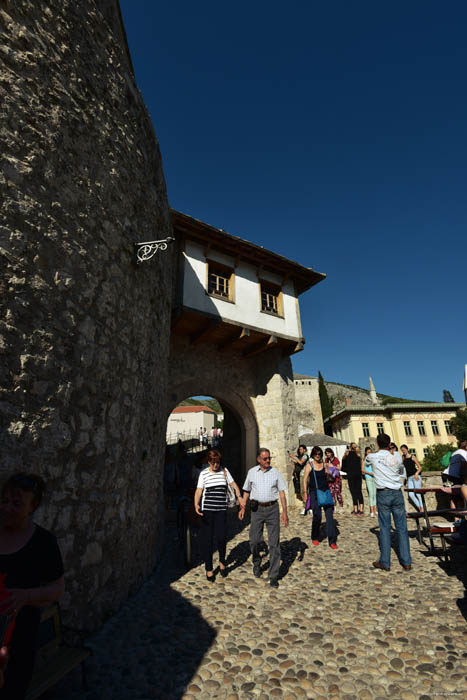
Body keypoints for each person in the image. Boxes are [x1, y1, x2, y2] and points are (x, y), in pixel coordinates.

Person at [0, 473, 65, 699]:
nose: (7, 507)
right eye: (4, 500)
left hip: (19, 645)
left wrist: (25, 596)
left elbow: (57, 588)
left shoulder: (43, 543)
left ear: (33, 506)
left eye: (16, 503)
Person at [239, 448, 289, 588]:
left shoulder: (276, 473)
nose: (268, 461)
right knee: (254, 540)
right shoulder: (252, 473)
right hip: (257, 510)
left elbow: (282, 493)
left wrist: (284, 512)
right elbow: (246, 490)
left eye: (269, 458)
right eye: (265, 459)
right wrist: (243, 507)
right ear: (259, 460)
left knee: (274, 543)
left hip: (273, 509)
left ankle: (273, 575)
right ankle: (256, 561)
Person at [194, 450, 244, 582]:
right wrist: (196, 504)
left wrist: (240, 498)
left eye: (218, 462)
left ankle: (222, 561)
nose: (216, 464)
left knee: (222, 537)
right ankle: (209, 569)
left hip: (221, 511)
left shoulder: (224, 471)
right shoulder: (203, 474)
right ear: (209, 461)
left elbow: (234, 485)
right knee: (208, 540)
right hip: (207, 511)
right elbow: (199, 490)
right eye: (213, 462)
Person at [366, 433, 412, 572]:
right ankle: (406, 561)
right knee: (402, 528)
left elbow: (366, 462)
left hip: (383, 493)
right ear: (390, 444)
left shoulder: (372, 457)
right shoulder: (396, 459)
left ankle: (385, 562)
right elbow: (402, 474)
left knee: (384, 528)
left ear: (378, 444)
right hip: (397, 492)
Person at [302, 447, 338, 549]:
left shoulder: (325, 465)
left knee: (330, 517)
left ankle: (332, 541)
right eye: (316, 454)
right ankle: (315, 536)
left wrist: (330, 471)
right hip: (314, 493)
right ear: (313, 455)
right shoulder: (309, 465)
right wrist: (305, 493)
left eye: (319, 454)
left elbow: (333, 476)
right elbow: (305, 480)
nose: (318, 455)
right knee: (317, 516)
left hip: (325, 492)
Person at [442, 441, 467, 509]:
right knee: (459, 497)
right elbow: (464, 466)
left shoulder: (455, 452)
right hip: (453, 476)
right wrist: (464, 480)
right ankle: (459, 517)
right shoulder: (464, 453)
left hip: (446, 475)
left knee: (453, 498)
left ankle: (456, 518)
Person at [342, 442, 364, 515]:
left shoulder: (347, 455)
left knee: (353, 492)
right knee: (359, 491)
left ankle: (355, 508)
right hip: (358, 474)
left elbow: (343, 466)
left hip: (351, 475)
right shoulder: (358, 455)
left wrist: (345, 454)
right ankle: (361, 509)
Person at [400, 445, 423, 512]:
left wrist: (416, 474)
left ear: (407, 449)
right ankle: (420, 507)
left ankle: (422, 508)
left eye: (404, 449)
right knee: (411, 494)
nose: (403, 451)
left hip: (415, 476)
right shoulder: (403, 458)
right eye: (402, 450)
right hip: (409, 478)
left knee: (418, 493)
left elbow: (420, 467)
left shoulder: (412, 457)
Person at [288, 445, 309, 514]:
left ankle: (306, 507)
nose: (300, 450)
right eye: (299, 449)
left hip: (305, 475)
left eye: (301, 449)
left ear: (304, 450)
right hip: (300, 475)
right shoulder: (299, 457)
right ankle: (308, 506)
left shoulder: (305, 456)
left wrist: (293, 457)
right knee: (302, 491)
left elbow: (301, 462)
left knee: (304, 491)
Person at [361, 446, 377, 517]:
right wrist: (370, 473)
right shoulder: (364, 460)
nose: (369, 453)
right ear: (365, 453)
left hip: (374, 477)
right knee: (371, 494)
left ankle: (375, 509)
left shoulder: (373, 460)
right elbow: (362, 470)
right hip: (368, 477)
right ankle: (371, 510)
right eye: (368, 452)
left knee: (375, 494)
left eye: (370, 452)